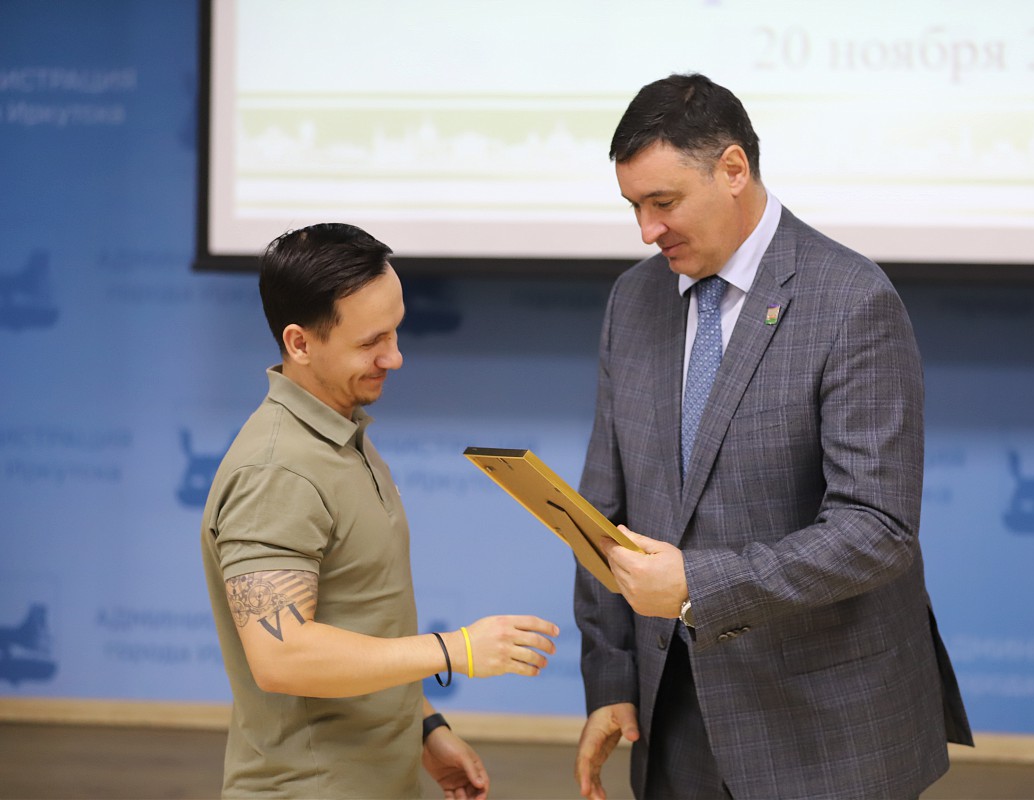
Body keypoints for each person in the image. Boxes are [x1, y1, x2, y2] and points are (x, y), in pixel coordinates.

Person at [572, 74, 973, 800]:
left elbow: (876, 528)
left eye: (664, 203)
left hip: (823, 732)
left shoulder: (851, 301)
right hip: (675, 722)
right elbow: (601, 511)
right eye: (634, 207)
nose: (647, 230)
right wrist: (610, 679)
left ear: (733, 169)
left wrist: (699, 584)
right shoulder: (632, 300)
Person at [200, 222, 559, 799]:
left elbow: (362, 619)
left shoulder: (339, 436)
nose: (395, 357)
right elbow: (280, 655)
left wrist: (425, 728)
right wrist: (457, 649)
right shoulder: (277, 473)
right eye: (371, 342)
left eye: (395, 331)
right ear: (299, 343)